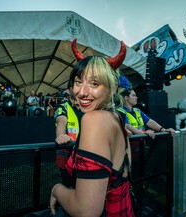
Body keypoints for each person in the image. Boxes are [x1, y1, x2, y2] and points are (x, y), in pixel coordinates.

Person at [50, 38, 136, 216]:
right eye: (78, 81)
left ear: (112, 88)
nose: (81, 92)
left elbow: (87, 212)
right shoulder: (117, 117)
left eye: (94, 84)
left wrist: (56, 189)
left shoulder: (94, 120)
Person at [54, 80, 84, 186]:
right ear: (68, 90)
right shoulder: (63, 107)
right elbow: (61, 120)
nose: (79, 90)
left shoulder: (87, 107)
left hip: (84, 156)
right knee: (69, 185)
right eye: (76, 86)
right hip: (67, 157)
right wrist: (61, 135)